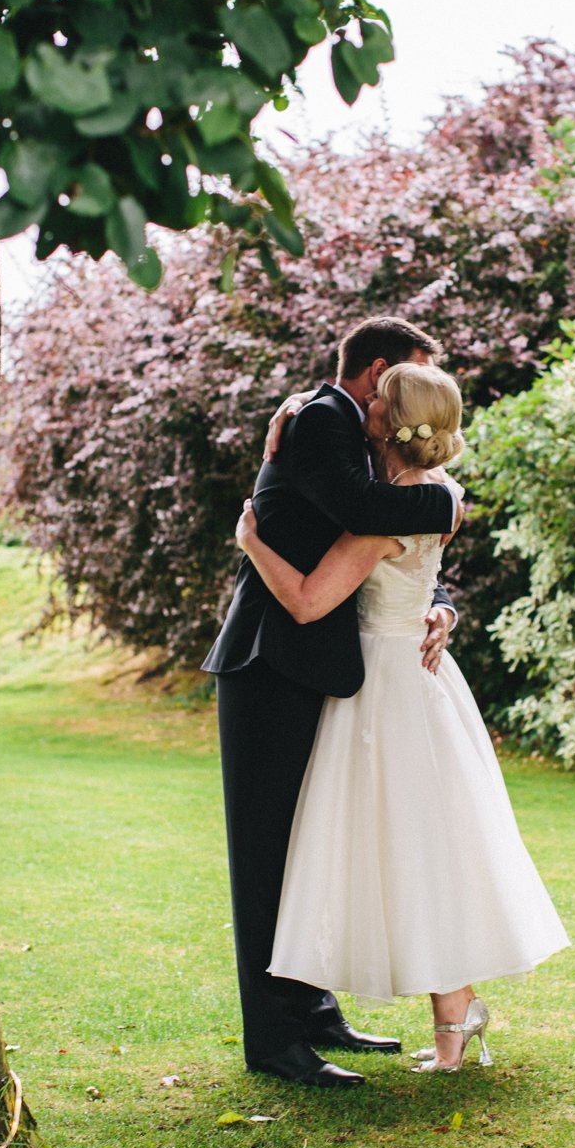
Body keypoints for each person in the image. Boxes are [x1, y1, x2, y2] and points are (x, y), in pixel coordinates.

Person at [236, 361, 570, 1073]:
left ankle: (449, 1025)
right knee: (434, 846)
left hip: (382, 688)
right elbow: (432, 554)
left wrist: (252, 543)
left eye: (376, 406)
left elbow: (304, 601)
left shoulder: (377, 521)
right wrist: (441, 606)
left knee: (403, 851)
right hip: (428, 684)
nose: (367, 413)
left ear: (388, 420)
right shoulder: (438, 496)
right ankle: (454, 1026)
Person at [201, 317, 463, 1088]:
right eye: (400, 384)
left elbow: (379, 537)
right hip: (269, 660)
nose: (399, 406)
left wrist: (438, 596)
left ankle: (314, 1011)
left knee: (306, 843)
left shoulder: (338, 422)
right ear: (376, 371)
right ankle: (275, 1041)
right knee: (265, 855)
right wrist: (451, 503)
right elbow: (363, 509)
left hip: (321, 666)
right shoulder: (320, 416)